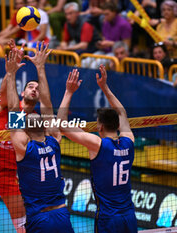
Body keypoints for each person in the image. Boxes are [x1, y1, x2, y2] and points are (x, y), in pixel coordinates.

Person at [0, 41, 52, 233]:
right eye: (30, 87)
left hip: (8, 173)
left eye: (37, 88)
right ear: (22, 92)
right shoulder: (8, 106)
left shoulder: (36, 121)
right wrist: (11, 71)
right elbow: (5, 93)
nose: (34, 89)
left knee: (21, 220)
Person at [57, 65, 137, 233]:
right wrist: (105, 87)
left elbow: (60, 124)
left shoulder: (97, 144)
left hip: (108, 218)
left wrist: (69, 92)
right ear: (117, 126)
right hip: (129, 216)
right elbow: (122, 113)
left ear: (99, 127)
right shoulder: (129, 141)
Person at [6, 45, 75, 233]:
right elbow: (46, 104)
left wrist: (11, 74)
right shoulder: (54, 140)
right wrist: (41, 67)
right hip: (62, 215)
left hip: (39, 218)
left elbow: (13, 108)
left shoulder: (24, 147)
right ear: (44, 126)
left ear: (25, 130)